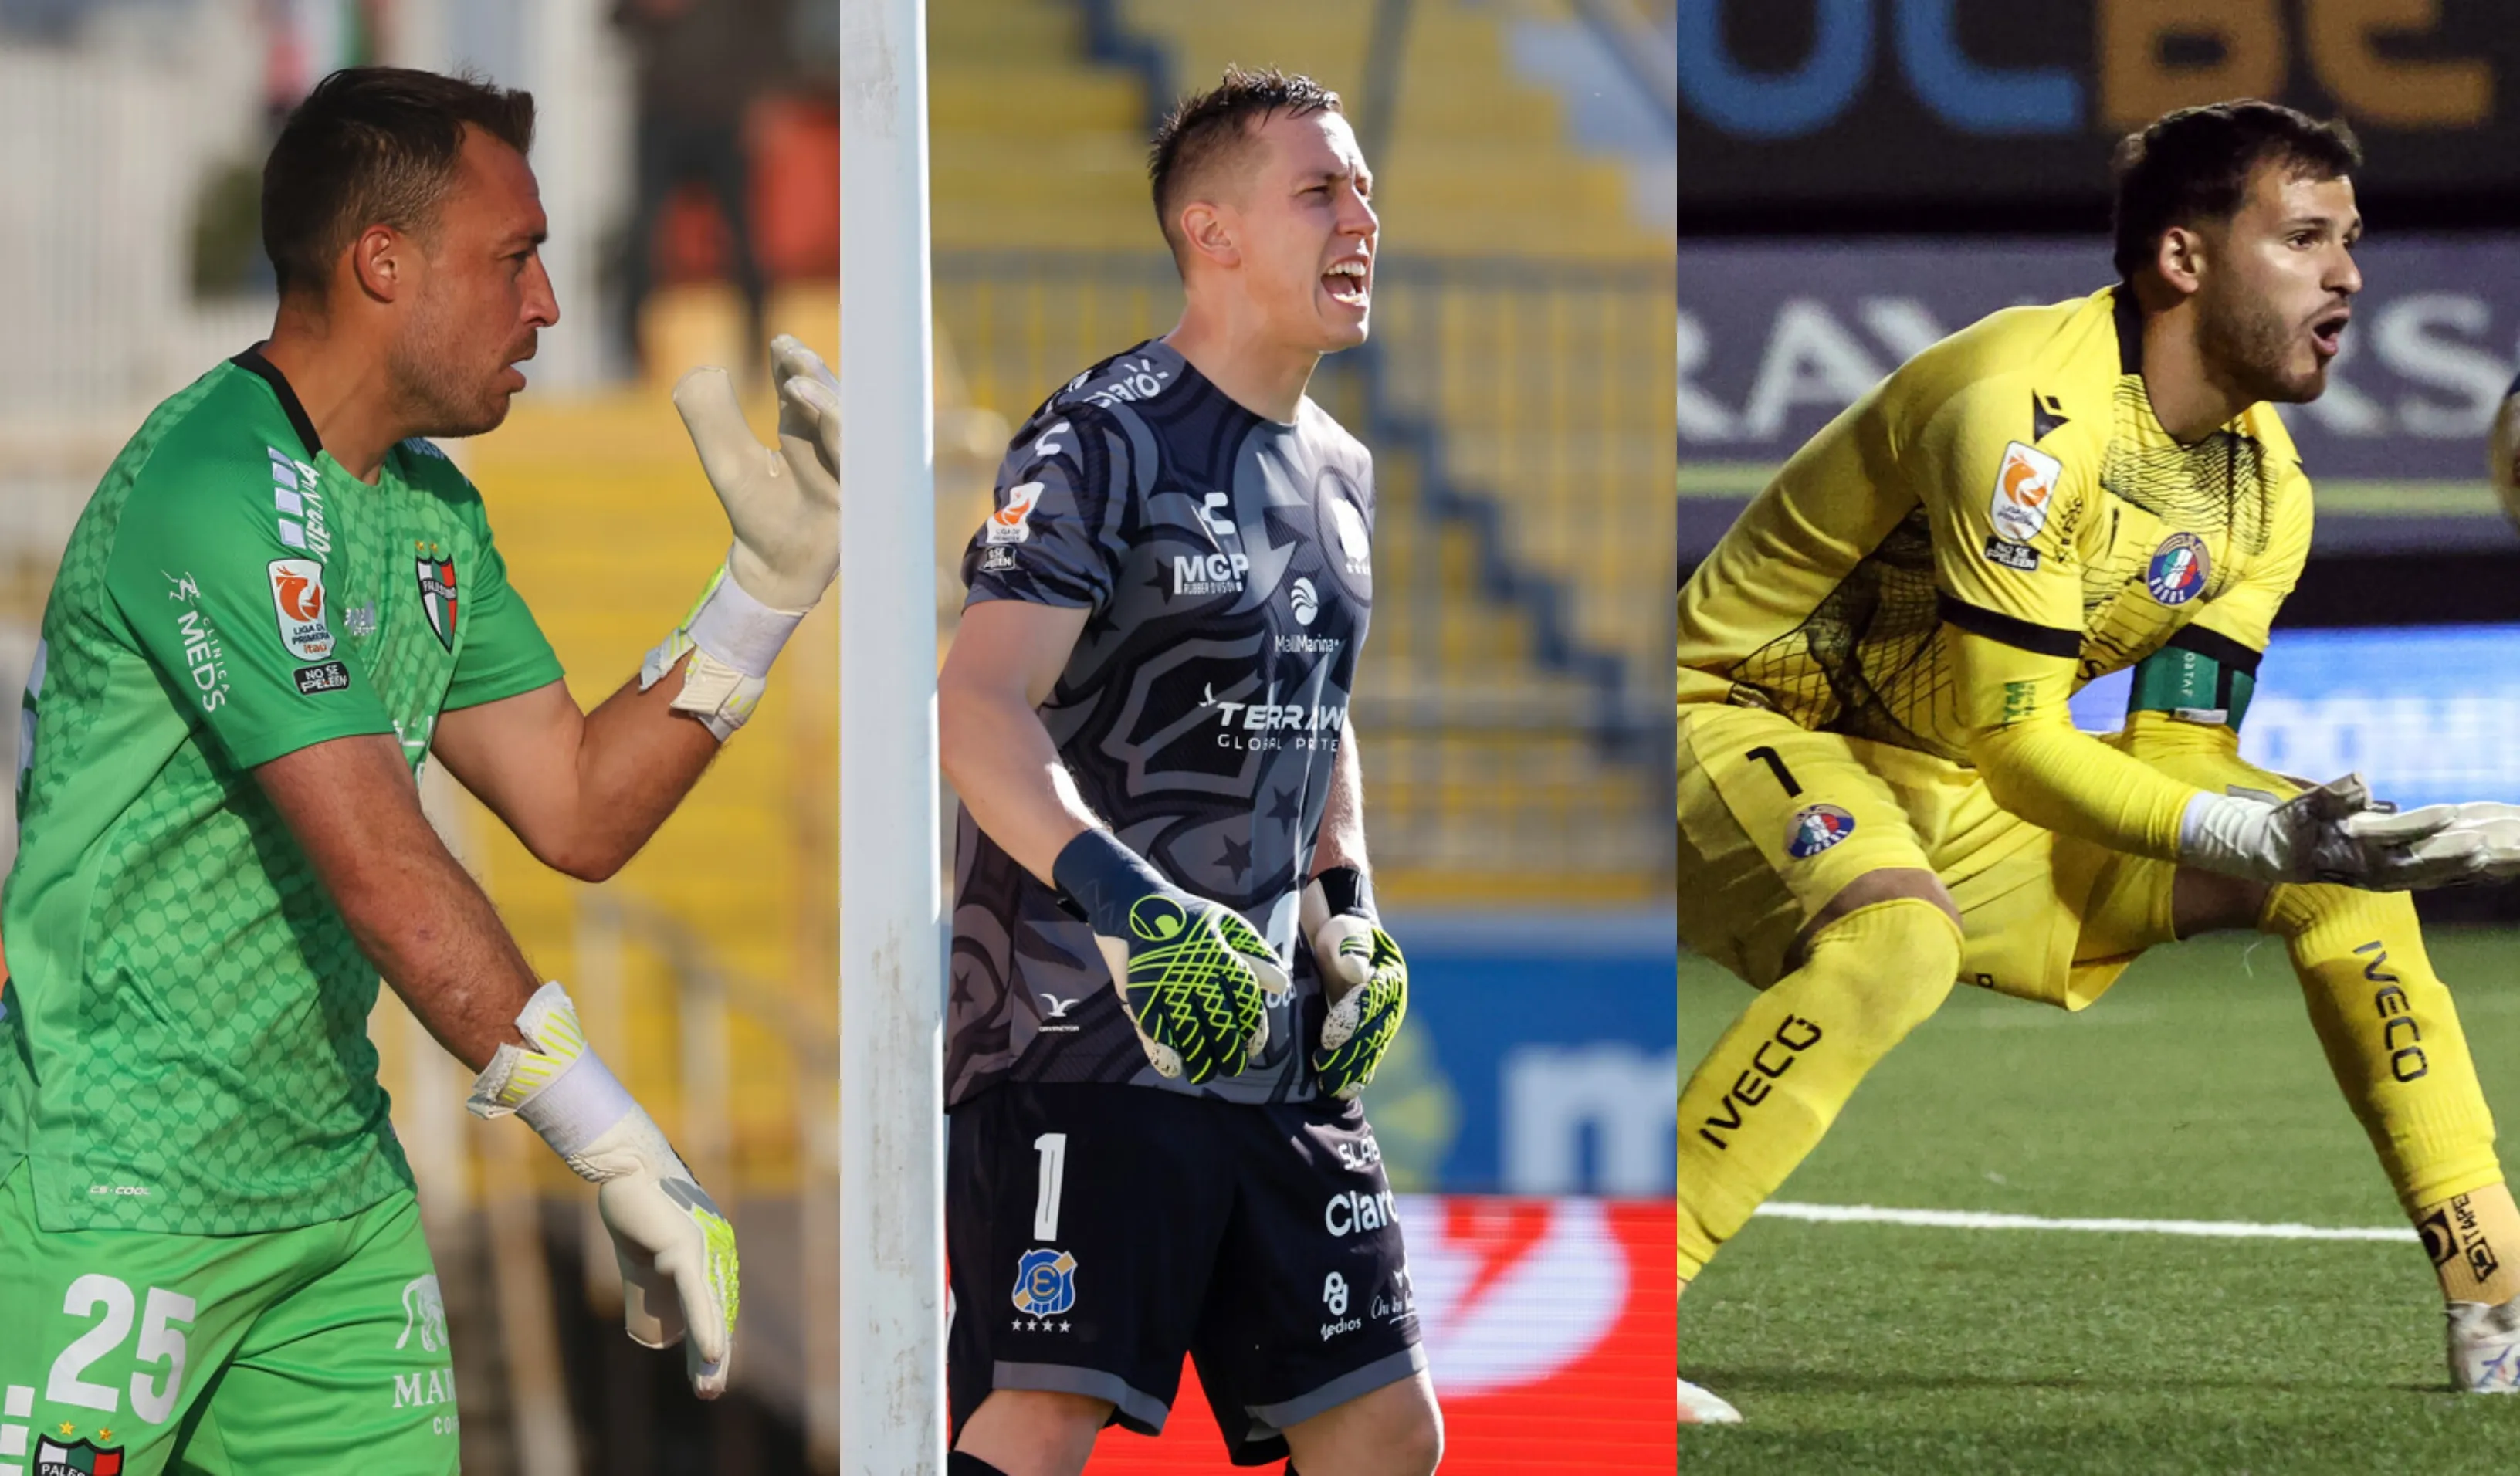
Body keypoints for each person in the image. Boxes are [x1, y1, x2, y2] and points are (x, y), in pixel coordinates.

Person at [0, 67, 841, 1471]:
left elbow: (575, 801)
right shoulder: (213, 485)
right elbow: (386, 869)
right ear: (380, 262)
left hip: (332, 1216)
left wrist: (761, 592)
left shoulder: (431, 510)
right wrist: (616, 1144)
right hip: (116, 1192)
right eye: (514, 259)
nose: (549, 305)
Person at [1675, 100, 2520, 1424]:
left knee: (2346, 885)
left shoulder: (2265, 493)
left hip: (1944, 788)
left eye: (2349, 238)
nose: (2347, 273)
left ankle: (2497, 1300)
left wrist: (2328, 835)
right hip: (1727, 728)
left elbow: (2176, 753)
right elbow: (2022, 746)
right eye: (2301, 237)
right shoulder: (2020, 416)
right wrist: (2250, 831)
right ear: (2181, 260)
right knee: (1896, 940)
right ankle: (1606, 1325)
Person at [935, 66, 1438, 1476]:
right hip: (1078, 1030)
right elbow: (977, 704)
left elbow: (1314, 704)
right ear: (1210, 232)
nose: (1361, 217)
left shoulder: (1340, 466)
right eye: (1319, 191)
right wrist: (1136, 913)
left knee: (1385, 1428)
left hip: (1269, 1043)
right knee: (1045, 1410)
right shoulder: (1103, 435)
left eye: (1363, 189)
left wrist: (1349, 904)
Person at [612, 0, 784, 376]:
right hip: (663, 115)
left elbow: (775, 23)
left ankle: (760, 353)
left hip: (727, 116)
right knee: (643, 234)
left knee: (746, 238)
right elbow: (617, 19)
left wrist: (767, 98)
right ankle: (631, 357)